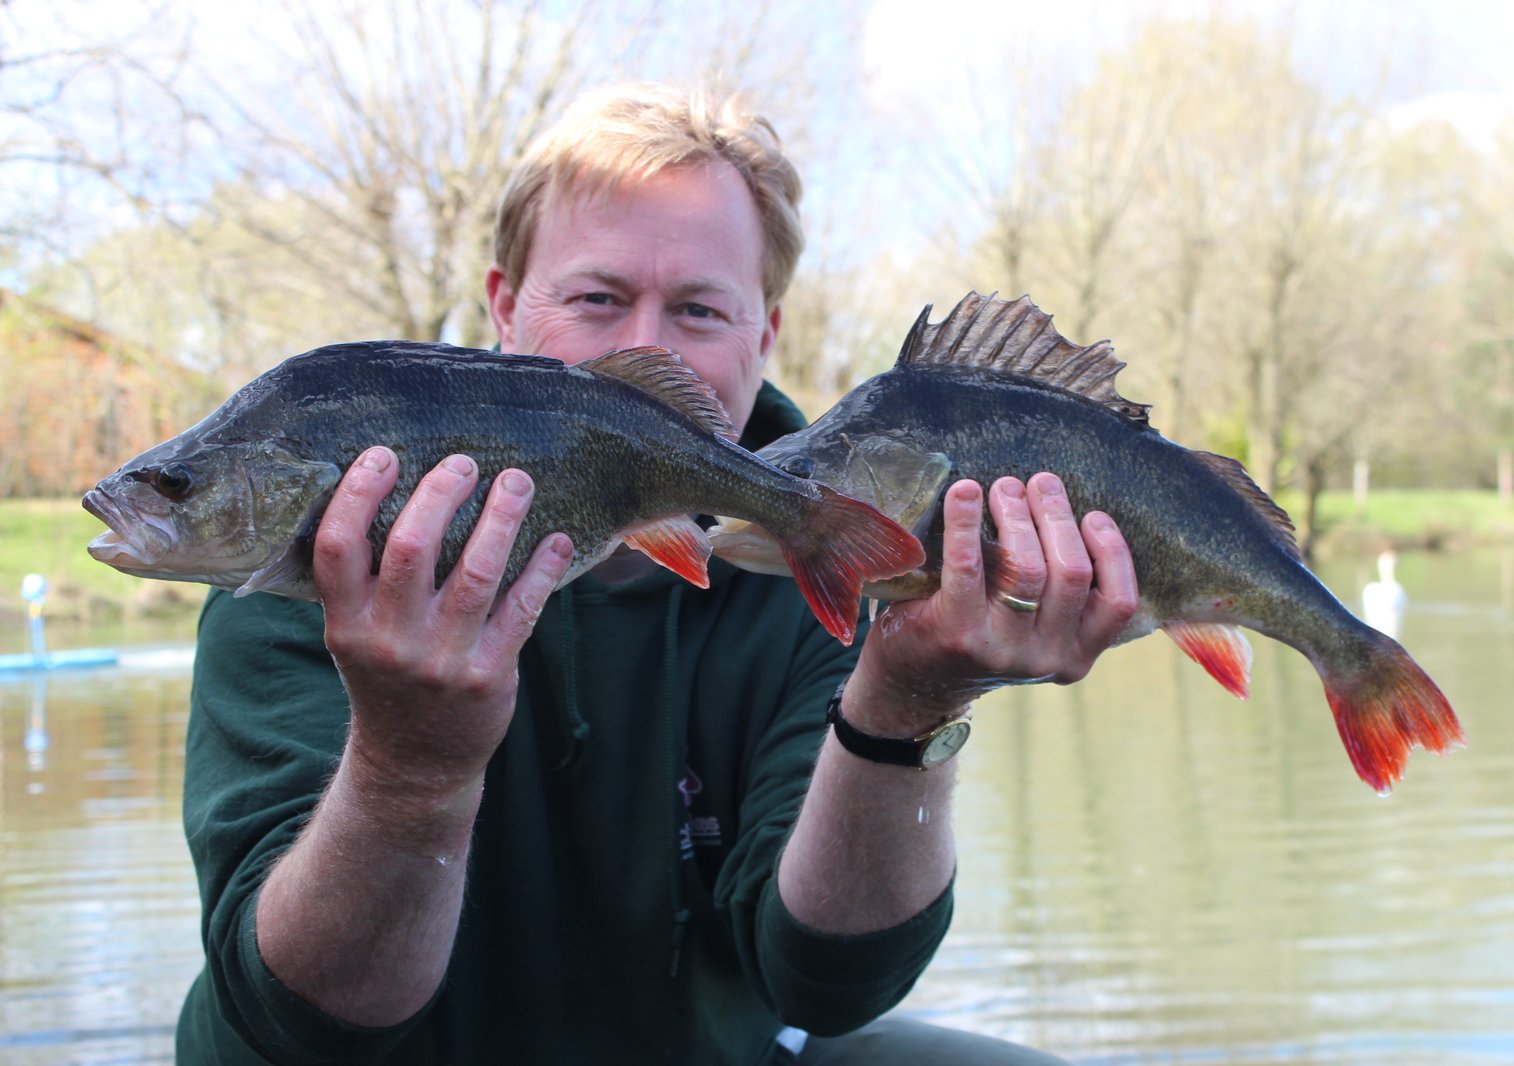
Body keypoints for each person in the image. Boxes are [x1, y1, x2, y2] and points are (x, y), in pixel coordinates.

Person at [175, 82, 1139, 1065]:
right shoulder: (333, 540)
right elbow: (302, 1019)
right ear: (506, 307)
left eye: (698, 309)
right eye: (597, 298)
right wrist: (408, 766)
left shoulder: (822, 546)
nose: (644, 346)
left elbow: (826, 980)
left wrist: (903, 707)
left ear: (762, 337)